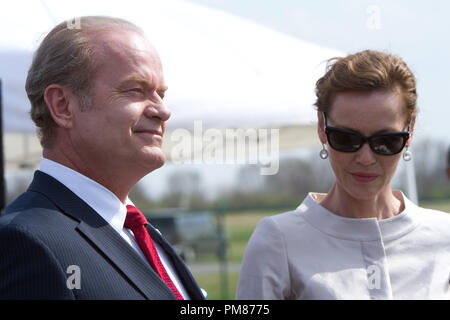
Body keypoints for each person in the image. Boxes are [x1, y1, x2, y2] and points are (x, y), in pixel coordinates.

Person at [0, 16, 205, 300]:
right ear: (63, 106)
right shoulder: (25, 242)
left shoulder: (139, 233)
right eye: (136, 90)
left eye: (161, 93)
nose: (162, 110)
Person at [236, 50, 450, 300]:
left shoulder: (443, 236)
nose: (366, 158)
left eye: (386, 141)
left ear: (410, 130)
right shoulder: (278, 241)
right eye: (346, 139)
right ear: (321, 127)